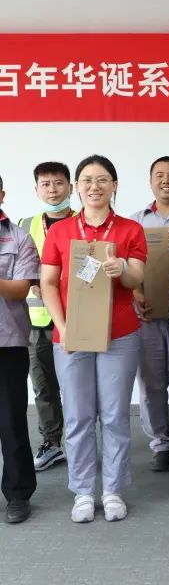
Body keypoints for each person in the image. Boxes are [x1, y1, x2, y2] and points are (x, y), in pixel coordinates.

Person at [40, 155, 147, 523]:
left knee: (115, 415)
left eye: (102, 180)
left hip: (120, 335)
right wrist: (63, 327)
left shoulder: (130, 229)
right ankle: (83, 491)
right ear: (76, 187)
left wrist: (122, 269)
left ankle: (113, 489)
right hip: (71, 337)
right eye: (86, 180)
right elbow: (48, 283)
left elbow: (136, 278)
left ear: (114, 185)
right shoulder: (60, 232)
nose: (94, 186)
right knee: (78, 416)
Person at [130, 156, 169, 472]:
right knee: (151, 383)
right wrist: (135, 293)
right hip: (147, 314)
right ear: (150, 181)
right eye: (160, 175)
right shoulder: (135, 221)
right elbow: (124, 266)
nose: (166, 180)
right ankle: (160, 444)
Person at [18, 162, 74, 472]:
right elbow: (14, 264)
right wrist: (32, 281)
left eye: (59, 183)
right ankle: (52, 443)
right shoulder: (25, 224)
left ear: (71, 187)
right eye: (46, 184)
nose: (53, 189)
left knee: (79, 387)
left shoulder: (84, 222)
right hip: (38, 321)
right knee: (43, 386)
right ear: (37, 190)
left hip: (76, 317)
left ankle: (81, 443)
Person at [0, 174, 40, 524]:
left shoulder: (18, 237)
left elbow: (20, 289)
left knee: (11, 420)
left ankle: (17, 494)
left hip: (7, 341)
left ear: (1, 195)